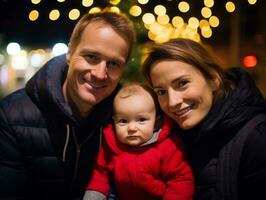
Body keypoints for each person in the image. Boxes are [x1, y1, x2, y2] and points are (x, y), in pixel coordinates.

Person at [0, 9, 136, 200]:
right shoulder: (12, 115)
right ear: (70, 52)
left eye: (113, 64)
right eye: (91, 56)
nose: (99, 73)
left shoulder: (126, 119)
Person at [142, 38, 266, 200]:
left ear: (214, 79)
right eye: (161, 92)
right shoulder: (168, 138)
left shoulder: (257, 139)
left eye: (182, 83)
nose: (172, 102)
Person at [83, 83, 195, 200]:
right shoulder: (111, 145)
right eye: (123, 121)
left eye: (141, 120)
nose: (131, 128)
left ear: (156, 122)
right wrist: (94, 194)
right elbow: (100, 174)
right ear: (114, 122)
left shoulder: (167, 147)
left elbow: (180, 180)